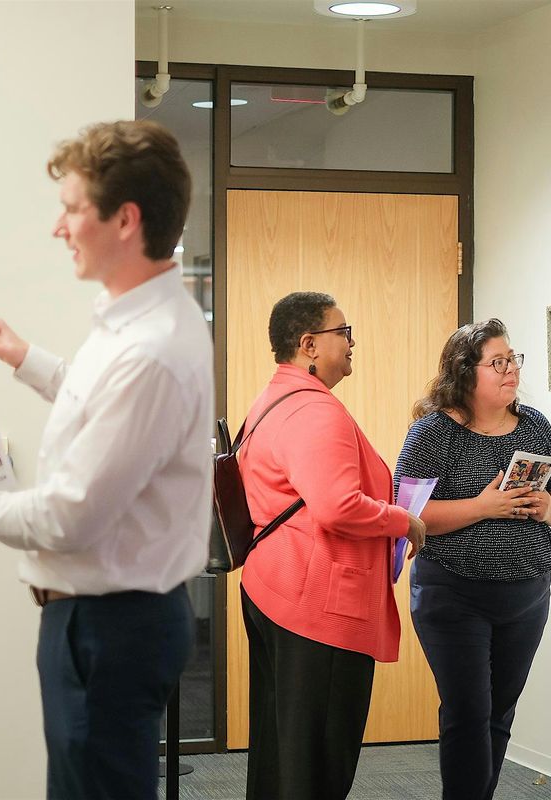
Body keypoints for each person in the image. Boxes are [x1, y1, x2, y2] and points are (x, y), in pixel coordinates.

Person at [0, 121, 213, 800]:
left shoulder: (149, 349)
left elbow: (69, 517)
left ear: (125, 219)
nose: (57, 228)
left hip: (110, 628)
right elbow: (108, 413)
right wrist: (26, 360)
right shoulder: (135, 324)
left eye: (70, 209)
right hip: (101, 621)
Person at [238, 291, 427, 800]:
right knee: (316, 760)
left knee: (283, 751)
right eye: (342, 333)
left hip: (277, 587)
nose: (350, 343)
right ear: (308, 345)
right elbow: (337, 506)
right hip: (315, 605)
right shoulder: (314, 412)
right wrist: (403, 520)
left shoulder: (274, 399)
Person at [394, 318, 551, 800]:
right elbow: (408, 514)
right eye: (497, 363)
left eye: (513, 359)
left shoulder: (536, 424)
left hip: (527, 594)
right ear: (464, 372)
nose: (510, 371)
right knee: (467, 713)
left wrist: (549, 508)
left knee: (499, 713)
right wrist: (485, 506)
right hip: (453, 596)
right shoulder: (432, 433)